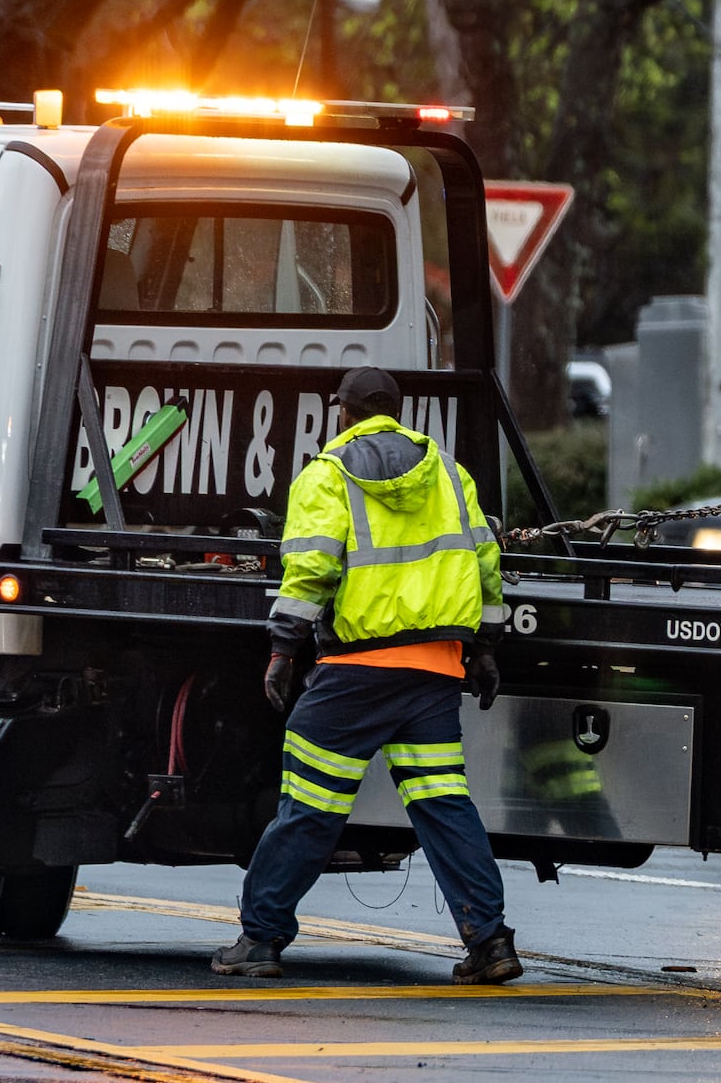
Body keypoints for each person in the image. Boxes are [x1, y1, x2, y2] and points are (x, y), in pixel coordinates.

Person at [215, 368, 521, 983]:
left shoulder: (327, 476)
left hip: (356, 674)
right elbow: (488, 567)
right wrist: (484, 649)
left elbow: (309, 570)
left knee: (309, 806)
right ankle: (490, 943)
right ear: (395, 410)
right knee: (443, 806)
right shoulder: (451, 477)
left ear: (346, 412)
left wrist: (282, 648)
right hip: (435, 670)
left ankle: (260, 939)